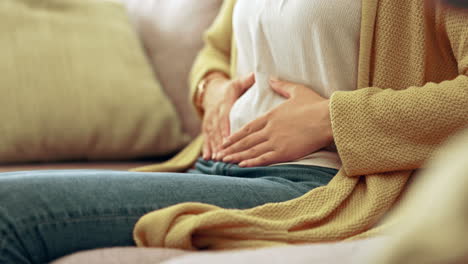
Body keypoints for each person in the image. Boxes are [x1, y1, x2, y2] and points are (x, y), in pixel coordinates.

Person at [1, 0, 467, 263]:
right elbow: (216, 48)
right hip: (211, 168)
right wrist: (213, 88)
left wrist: (330, 119)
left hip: (310, 185)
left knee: (8, 208)